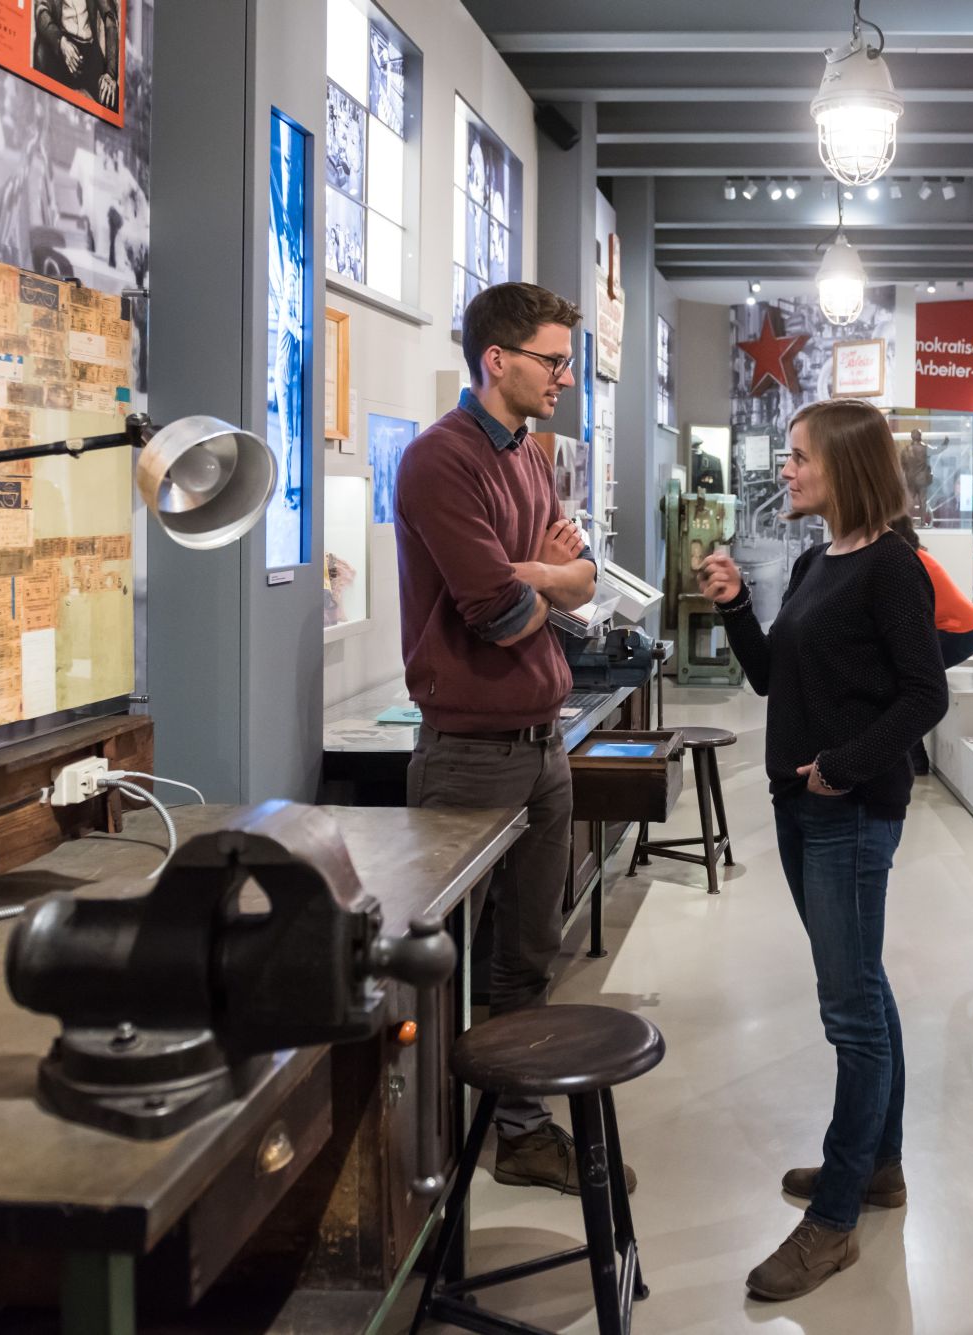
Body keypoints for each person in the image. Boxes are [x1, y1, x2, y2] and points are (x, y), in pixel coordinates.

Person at [699, 400, 948, 1302]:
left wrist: (843, 766)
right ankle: (879, 1167)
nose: (788, 469)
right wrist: (733, 610)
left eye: (800, 456)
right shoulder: (816, 560)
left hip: (847, 810)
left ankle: (837, 1216)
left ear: (844, 465)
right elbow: (775, 678)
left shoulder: (891, 567)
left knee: (850, 1012)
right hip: (804, 806)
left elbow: (925, 697)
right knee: (866, 991)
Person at [394, 282, 626, 1195]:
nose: (566, 376)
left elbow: (585, 576)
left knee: (528, 957)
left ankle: (520, 1132)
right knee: (441, 962)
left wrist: (549, 573)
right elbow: (497, 612)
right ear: (499, 360)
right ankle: (426, 1155)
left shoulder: (527, 454)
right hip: (470, 751)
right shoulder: (438, 462)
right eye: (553, 359)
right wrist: (548, 577)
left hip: (543, 745)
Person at [889, 515, 973, 774]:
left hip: (960, 632)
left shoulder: (907, 562)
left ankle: (915, 759)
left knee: (903, 681)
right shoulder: (911, 555)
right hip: (959, 628)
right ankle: (912, 757)